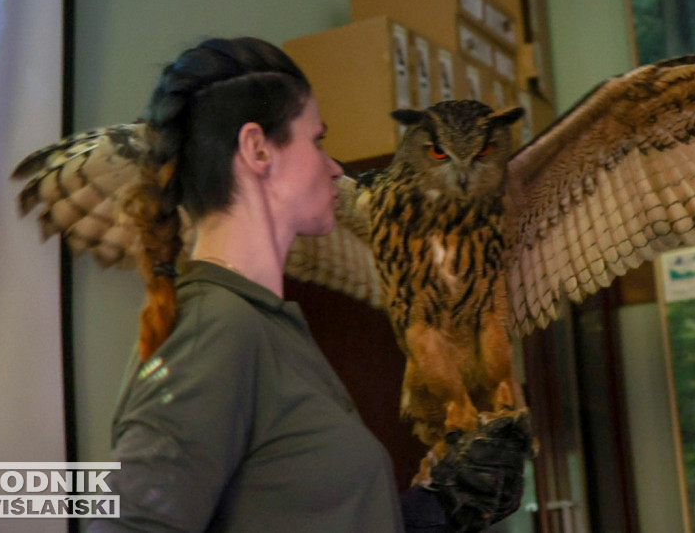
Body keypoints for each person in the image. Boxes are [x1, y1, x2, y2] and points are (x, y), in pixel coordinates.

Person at [87, 37, 529, 532]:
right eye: (317, 141)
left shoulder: (269, 325)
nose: (334, 166)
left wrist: (436, 510)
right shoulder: (213, 329)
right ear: (257, 149)